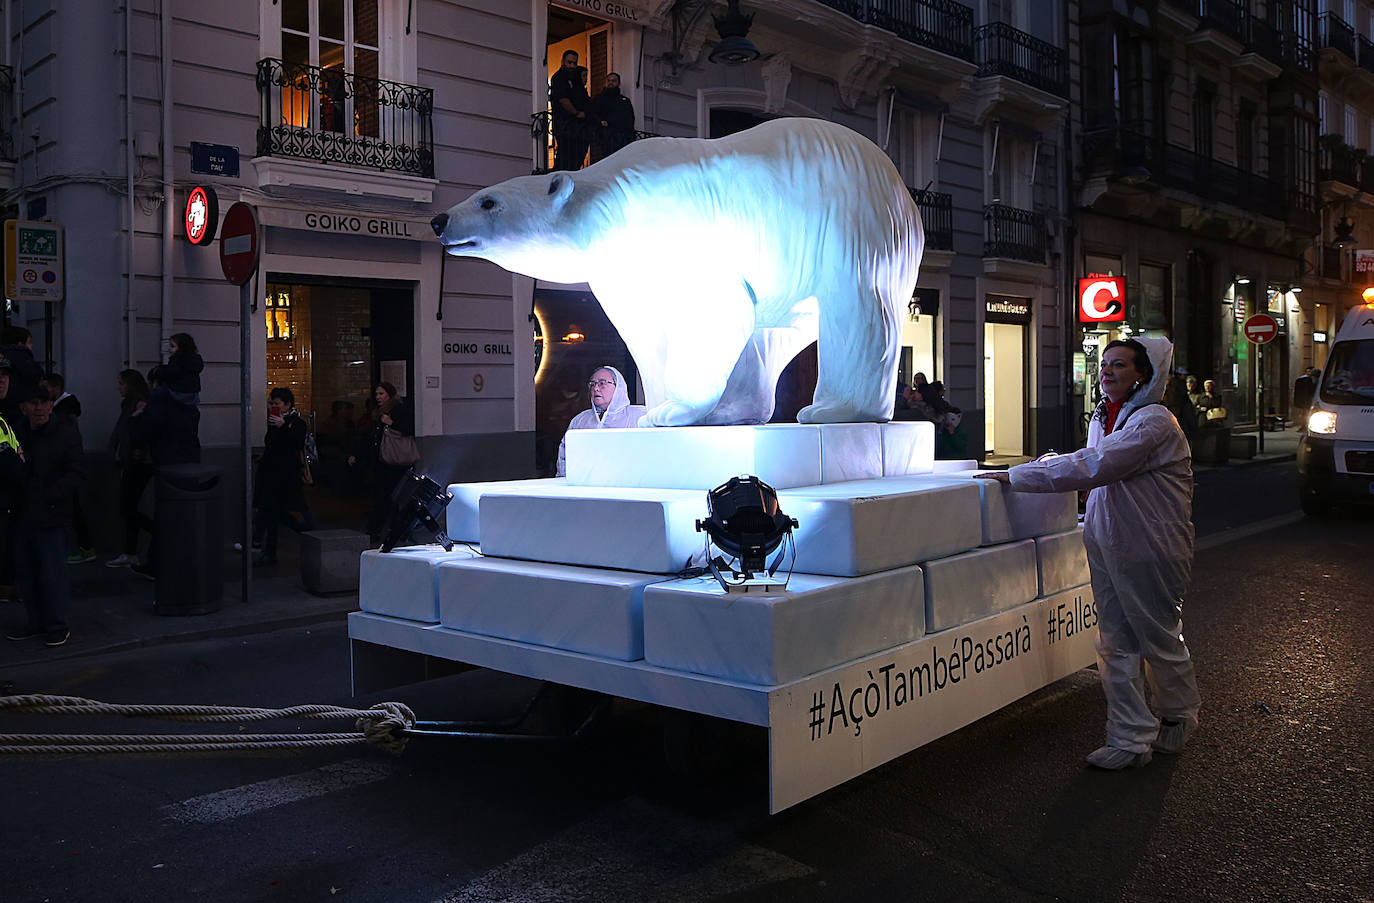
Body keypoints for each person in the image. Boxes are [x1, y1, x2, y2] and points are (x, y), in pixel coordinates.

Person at [975, 338, 1200, 770]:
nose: (1108, 371)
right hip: (1109, 544)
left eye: (1120, 365)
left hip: (1151, 548)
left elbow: (1096, 464)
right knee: (1114, 641)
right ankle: (1129, 737)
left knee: (1157, 636)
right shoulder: (1107, 417)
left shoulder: (1154, 423)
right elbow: (1089, 458)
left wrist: (1019, 474)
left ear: (1144, 375)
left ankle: (1178, 715)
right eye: (1105, 364)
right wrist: (1040, 467)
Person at [4, 385, 87, 647]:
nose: (39, 408)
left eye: (44, 402)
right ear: (25, 407)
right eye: (34, 403)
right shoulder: (19, 431)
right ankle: (37, 621)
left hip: (52, 514)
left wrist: (51, 495)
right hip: (23, 512)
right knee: (27, 573)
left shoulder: (65, 433)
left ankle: (57, 624)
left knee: (52, 572)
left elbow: (76, 472)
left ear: (51, 405)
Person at [250, 387, 317, 565]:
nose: (273, 406)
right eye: (271, 403)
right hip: (271, 474)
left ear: (287, 405)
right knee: (271, 512)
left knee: (287, 509)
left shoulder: (296, 423)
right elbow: (272, 445)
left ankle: (309, 532)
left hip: (287, 475)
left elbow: (294, 443)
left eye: (276, 403)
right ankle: (268, 549)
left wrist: (283, 426)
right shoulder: (273, 423)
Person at [349, 382, 414, 542]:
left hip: (395, 462)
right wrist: (357, 454)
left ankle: (384, 529)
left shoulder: (398, 410)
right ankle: (387, 529)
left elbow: (408, 429)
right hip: (382, 461)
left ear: (389, 395)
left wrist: (391, 423)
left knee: (389, 497)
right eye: (376, 394)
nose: (378, 397)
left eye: (381, 394)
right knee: (384, 496)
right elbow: (371, 438)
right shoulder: (378, 413)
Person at [41, 373, 95, 563]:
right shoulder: (66, 410)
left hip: (65, 465)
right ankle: (82, 546)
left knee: (71, 508)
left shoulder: (63, 413)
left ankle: (80, 547)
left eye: (46, 387)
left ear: (56, 388)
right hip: (67, 464)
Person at [556, 366, 645, 477]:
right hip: (585, 487)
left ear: (618, 388)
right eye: (592, 384)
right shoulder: (580, 421)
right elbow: (565, 456)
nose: (596, 388)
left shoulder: (639, 416)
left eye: (602, 383)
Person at [106, 369, 153, 568]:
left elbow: (136, 429)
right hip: (130, 460)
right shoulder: (129, 403)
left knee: (128, 507)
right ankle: (130, 551)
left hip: (138, 462)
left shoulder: (139, 403)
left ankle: (156, 534)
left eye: (121, 383)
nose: (119, 387)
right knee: (129, 507)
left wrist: (135, 451)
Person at [549, 50, 592, 171]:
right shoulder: (559, 78)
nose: (572, 66)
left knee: (575, 157)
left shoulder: (575, 80)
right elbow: (563, 100)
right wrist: (577, 113)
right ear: (562, 62)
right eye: (569, 62)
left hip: (577, 127)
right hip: (565, 125)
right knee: (566, 157)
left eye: (574, 63)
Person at [590, 72, 636, 163]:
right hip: (605, 138)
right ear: (605, 83)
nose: (610, 83)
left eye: (613, 81)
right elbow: (592, 113)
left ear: (618, 83)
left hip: (622, 138)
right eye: (608, 81)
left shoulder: (625, 101)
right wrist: (600, 122)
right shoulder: (599, 99)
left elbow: (630, 119)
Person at [0, 326, 43, 402]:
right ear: (20, 344)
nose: (31, 346)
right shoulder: (21, 355)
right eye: (29, 342)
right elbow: (33, 375)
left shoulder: (4, 355)